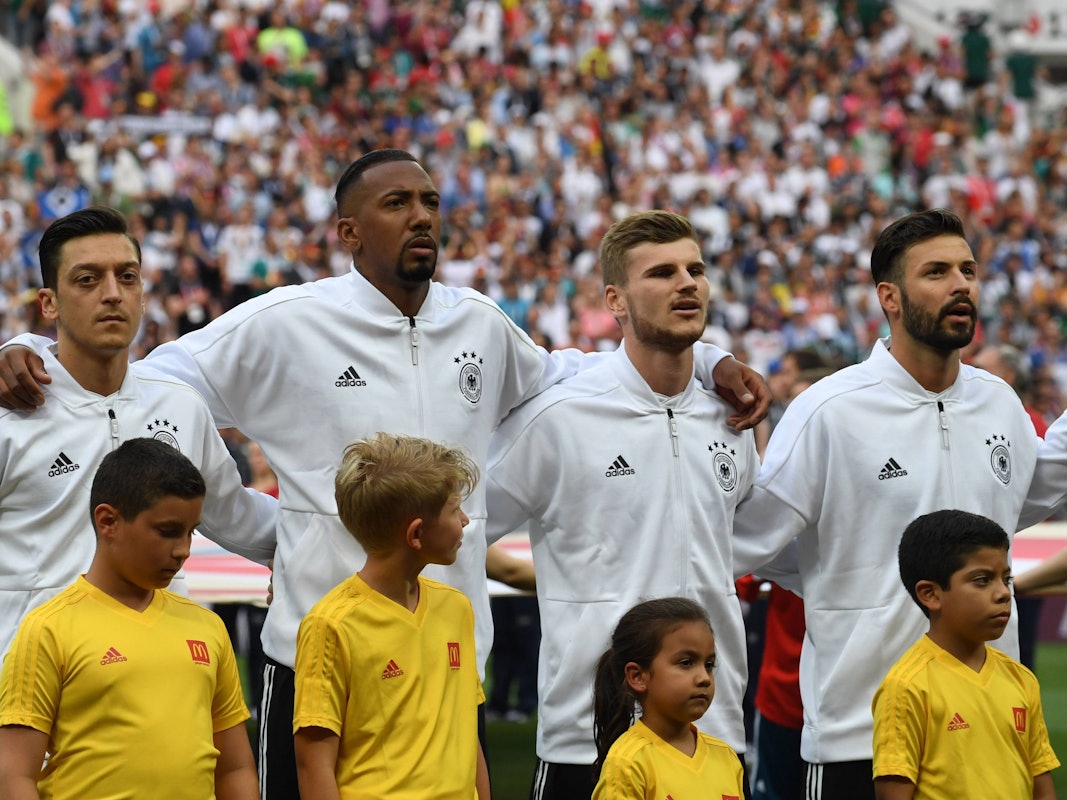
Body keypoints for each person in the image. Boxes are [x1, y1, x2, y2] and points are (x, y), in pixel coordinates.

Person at [0, 150, 770, 799]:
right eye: (396, 202)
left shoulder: (478, 323)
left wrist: (703, 359)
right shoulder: (287, 322)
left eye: (430, 201)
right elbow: (146, 382)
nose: (421, 216)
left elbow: (580, 376)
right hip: (315, 649)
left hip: (446, 651)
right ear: (348, 231)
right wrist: (26, 348)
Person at [732, 208, 1043, 800]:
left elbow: (1016, 505)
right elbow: (754, 540)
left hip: (989, 730)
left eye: (968, 270)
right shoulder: (830, 410)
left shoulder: (1000, 403)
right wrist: (837, 577)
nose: (960, 285)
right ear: (890, 297)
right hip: (861, 735)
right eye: (937, 272)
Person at [486, 210, 758, 799]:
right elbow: (456, 528)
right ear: (615, 299)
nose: (686, 283)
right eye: (661, 273)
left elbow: (742, 546)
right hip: (588, 740)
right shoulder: (560, 417)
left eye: (695, 269)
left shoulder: (733, 415)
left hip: (714, 734)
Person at [0, 206, 276, 659]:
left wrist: (329, 532)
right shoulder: (12, 408)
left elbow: (240, 518)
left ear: (143, 295)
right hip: (35, 695)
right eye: (88, 279)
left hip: (159, 682)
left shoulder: (180, 406)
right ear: (48, 302)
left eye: (127, 277)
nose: (112, 294)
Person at [0, 438, 259, 800]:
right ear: (108, 521)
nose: (183, 549)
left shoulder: (207, 627)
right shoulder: (49, 628)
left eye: (191, 532)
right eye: (168, 531)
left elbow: (236, 768)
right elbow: (13, 776)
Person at [293, 433, 489, 799]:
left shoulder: (456, 606)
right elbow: (314, 764)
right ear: (416, 534)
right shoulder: (331, 625)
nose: (464, 520)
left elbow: (467, 732)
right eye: (453, 509)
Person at [872, 509, 1059, 800]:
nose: (1002, 593)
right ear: (930, 595)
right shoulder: (907, 686)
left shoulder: (1021, 678)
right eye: (982, 580)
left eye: (1005, 579)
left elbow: (1042, 788)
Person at [591, 597, 745, 800]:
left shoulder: (726, 756)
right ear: (638, 676)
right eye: (686, 662)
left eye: (709, 664)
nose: (704, 678)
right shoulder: (628, 763)